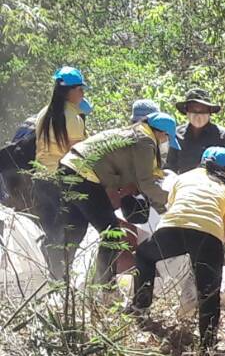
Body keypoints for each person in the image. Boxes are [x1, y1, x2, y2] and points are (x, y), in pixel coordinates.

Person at [128, 146, 225, 356]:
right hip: (208, 236)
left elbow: (172, 207)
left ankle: (140, 308)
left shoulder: (184, 178)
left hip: (173, 228)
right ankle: (207, 344)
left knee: (144, 255)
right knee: (209, 292)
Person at [55, 112, 179, 286]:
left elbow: (132, 177)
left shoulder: (135, 134)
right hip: (84, 174)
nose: (166, 143)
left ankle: (59, 281)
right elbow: (146, 184)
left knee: (75, 230)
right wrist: (172, 203)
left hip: (68, 167)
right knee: (111, 233)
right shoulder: (145, 141)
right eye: (167, 138)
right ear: (161, 133)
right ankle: (105, 287)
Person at [31, 67, 91, 279]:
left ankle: (53, 278)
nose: (82, 94)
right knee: (76, 226)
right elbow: (77, 155)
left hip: (41, 179)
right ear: (69, 91)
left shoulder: (43, 113)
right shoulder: (73, 117)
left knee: (52, 232)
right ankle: (63, 276)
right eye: (80, 89)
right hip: (62, 181)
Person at [167, 88, 225, 188]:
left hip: (214, 191)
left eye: (203, 110)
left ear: (210, 112)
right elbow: (170, 166)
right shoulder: (177, 134)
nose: (198, 115)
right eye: (193, 110)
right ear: (186, 111)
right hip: (184, 189)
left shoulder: (223, 136)